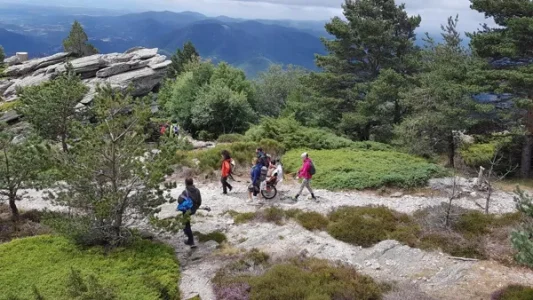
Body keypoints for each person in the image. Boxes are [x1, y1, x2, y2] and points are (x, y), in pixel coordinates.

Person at [177, 177, 202, 247]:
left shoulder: (185, 192)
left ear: (186, 183)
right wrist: (195, 208)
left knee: (186, 224)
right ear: (192, 182)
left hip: (187, 210)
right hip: (194, 209)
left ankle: (191, 241)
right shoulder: (197, 190)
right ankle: (187, 235)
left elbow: (179, 201)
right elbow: (200, 202)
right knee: (185, 223)